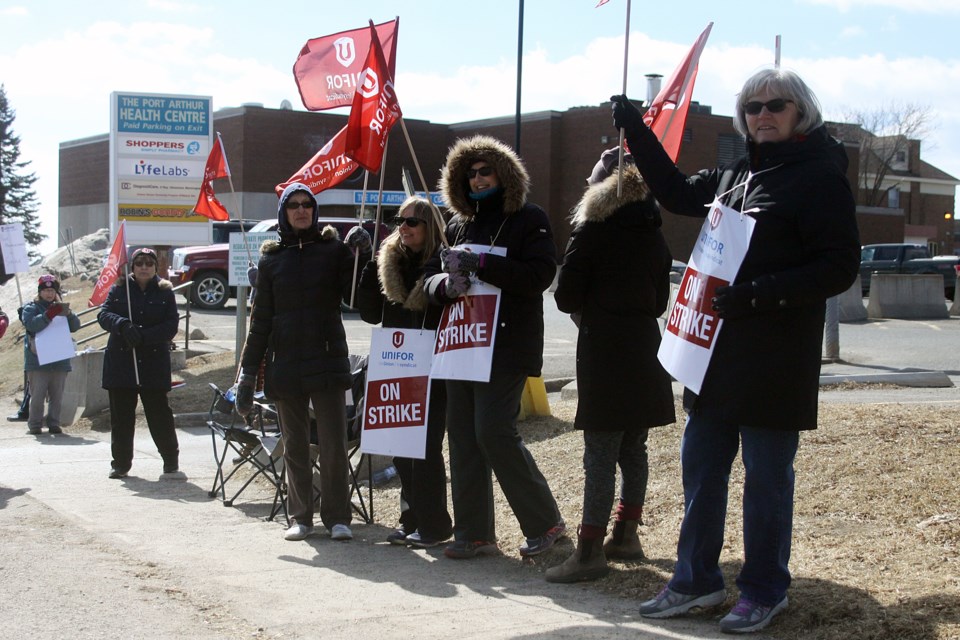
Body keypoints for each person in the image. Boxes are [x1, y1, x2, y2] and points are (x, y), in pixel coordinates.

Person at [610, 68, 861, 633]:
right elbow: (675, 194)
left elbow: (840, 266)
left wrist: (761, 294)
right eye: (753, 107)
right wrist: (637, 131)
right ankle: (696, 579)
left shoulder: (820, 176)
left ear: (800, 111)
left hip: (776, 355)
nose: (763, 114)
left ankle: (765, 589)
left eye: (776, 105)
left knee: (767, 479)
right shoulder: (736, 170)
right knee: (701, 468)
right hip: (714, 353)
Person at [423, 135, 565, 560]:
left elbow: (540, 274)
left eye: (486, 171)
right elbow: (428, 278)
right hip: (459, 344)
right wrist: (444, 285)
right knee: (463, 438)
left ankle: (546, 524)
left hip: (504, 347)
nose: (478, 178)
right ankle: (475, 532)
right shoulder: (455, 226)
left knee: (493, 432)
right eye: (471, 173)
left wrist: (482, 264)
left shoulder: (529, 218)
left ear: (504, 175)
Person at [548, 150, 676, 583]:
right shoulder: (655, 235)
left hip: (604, 351)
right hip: (644, 350)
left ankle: (587, 553)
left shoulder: (591, 232)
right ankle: (625, 535)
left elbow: (565, 297)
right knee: (632, 450)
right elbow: (660, 302)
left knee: (599, 456)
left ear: (602, 187)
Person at [235, 182, 369, 543]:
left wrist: (361, 255)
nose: (301, 210)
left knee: (334, 443)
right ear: (283, 212)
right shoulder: (270, 259)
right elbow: (260, 321)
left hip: (327, 359)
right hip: (285, 364)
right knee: (294, 444)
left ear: (314, 210)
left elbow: (357, 296)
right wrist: (248, 374)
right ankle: (300, 517)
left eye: (307, 204)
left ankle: (339, 517)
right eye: (293, 205)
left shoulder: (332, 250)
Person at [355, 196, 454, 549]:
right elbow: (368, 313)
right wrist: (369, 271)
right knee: (398, 448)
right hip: (394, 365)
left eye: (411, 221)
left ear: (430, 226)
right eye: (399, 220)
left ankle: (435, 525)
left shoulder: (442, 260)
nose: (403, 227)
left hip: (432, 366)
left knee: (425, 448)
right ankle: (412, 518)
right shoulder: (388, 262)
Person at [98, 247, 182, 480]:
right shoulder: (118, 289)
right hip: (121, 364)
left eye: (149, 263)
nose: (144, 267)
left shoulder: (165, 292)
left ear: (156, 267)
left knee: (159, 415)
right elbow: (103, 316)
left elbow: (171, 325)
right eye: (139, 263)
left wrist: (143, 335)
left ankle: (170, 460)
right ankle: (121, 464)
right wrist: (123, 325)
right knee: (121, 418)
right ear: (132, 267)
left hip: (153, 364)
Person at [21, 275, 81, 435]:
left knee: (57, 396)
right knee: (38, 396)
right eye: (46, 290)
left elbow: (75, 326)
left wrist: (67, 313)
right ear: (40, 292)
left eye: (52, 290)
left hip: (60, 359)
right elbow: (32, 325)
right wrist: (48, 315)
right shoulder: (31, 308)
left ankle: (54, 423)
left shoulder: (61, 307)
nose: (49, 294)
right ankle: (35, 425)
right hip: (38, 360)